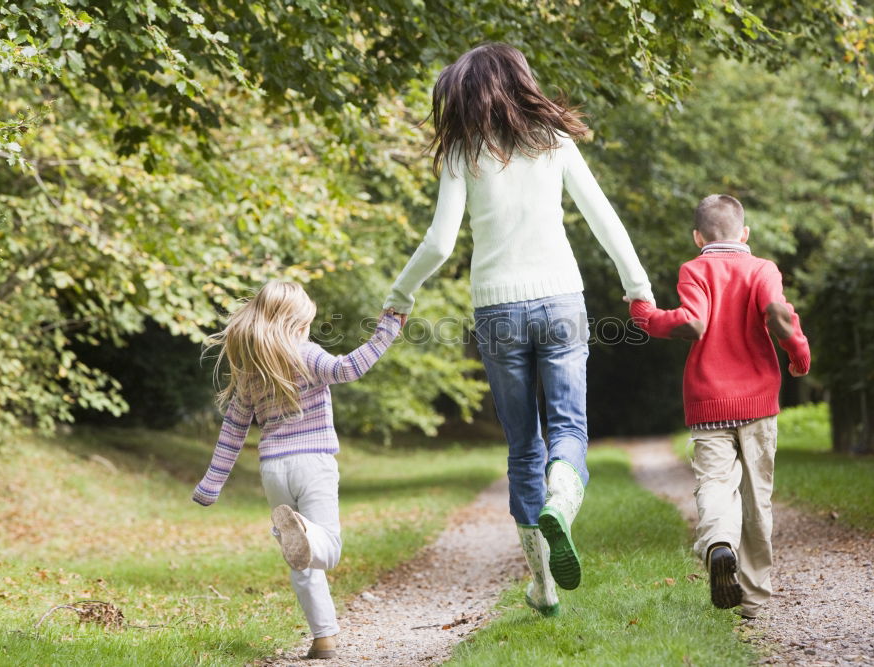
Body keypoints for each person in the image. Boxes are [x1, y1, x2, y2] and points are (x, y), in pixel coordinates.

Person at [383, 43, 654, 616]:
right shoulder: (554, 141)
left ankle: (542, 585)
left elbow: (439, 243)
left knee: (521, 445)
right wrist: (638, 289)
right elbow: (604, 217)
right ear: (520, 80)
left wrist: (399, 297)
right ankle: (562, 498)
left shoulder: (462, 151)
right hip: (561, 300)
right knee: (568, 429)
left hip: (496, 311)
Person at [192, 280, 401, 659]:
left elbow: (233, 429)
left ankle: (324, 639)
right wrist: (387, 329)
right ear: (295, 324)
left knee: (299, 559)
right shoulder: (307, 354)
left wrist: (212, 482)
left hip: (274, 469)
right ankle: (303, 530)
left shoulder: (250, 370)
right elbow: (348, 368)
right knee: (327, 550)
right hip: (313, 463)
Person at [628, 194, 810, 619]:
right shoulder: (763, 269)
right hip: (759, 401)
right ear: (744, 233)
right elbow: (777, 312)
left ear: (698, 236)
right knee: (757, 495)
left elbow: (693, 322)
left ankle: (718, 546)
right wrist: (798, 352)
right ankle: (754, 597)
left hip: (709, 401)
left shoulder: (694, 269)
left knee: (714, 484)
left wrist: (647, 316)